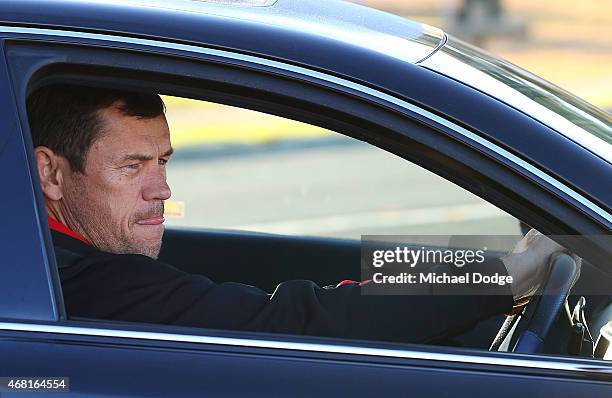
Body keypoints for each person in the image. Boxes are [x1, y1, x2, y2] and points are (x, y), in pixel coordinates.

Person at [28, 84, 570, 343]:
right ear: (51, 174)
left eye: (163, 162)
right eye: (131, 167)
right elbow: (291, 324)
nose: (163, 189)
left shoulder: (59, 259)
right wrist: (500, 274)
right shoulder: (81, 283)